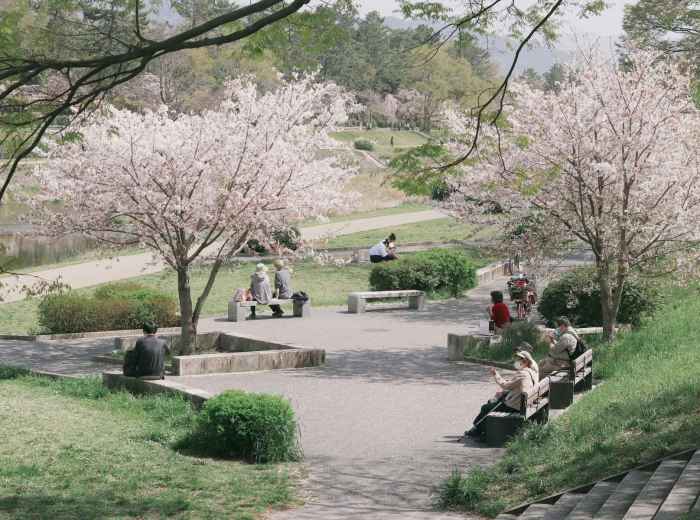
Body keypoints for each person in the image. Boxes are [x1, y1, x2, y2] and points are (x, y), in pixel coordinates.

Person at [465, 349, 538, 439]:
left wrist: (496, 375)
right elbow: (518, 386)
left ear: (526, 361)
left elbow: (506, 385)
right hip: (526, 404)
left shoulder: (523, 373)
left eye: (519, 359)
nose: (516, 361)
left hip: (515, 407)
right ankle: (480, 430)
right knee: (492, 402)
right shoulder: (533, 372)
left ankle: (478, 430)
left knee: (486, 408)